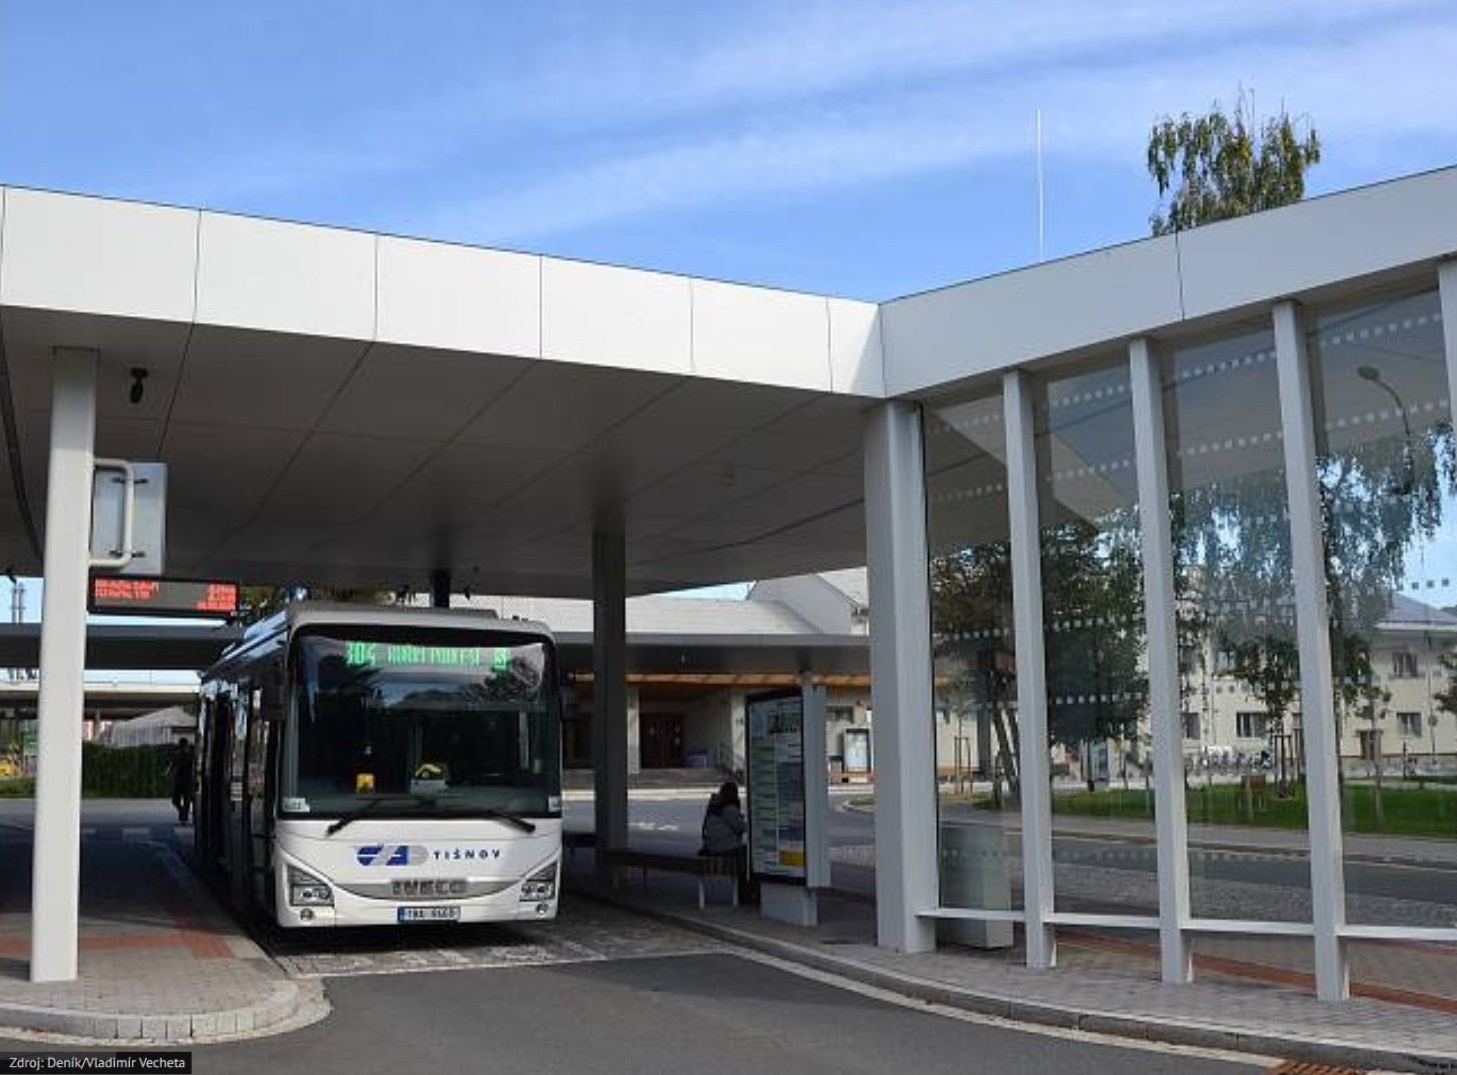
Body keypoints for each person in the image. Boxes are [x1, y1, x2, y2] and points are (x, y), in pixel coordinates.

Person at [700, 780, 753, 903]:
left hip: (711, 847)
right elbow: (741, 827)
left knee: (743, 854)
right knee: (747, 855)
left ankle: (744, 892)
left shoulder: (714, 807)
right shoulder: (729, 808)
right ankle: (747, 892)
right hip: (723, 848)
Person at [171, 737, 195, 823]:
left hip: (188, 780)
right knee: (175, 800)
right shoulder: (177, 754)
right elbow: (173, 765)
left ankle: (184, 816)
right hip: (179, 780)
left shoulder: (191, 755)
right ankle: (182, 812)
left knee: (187, 800)